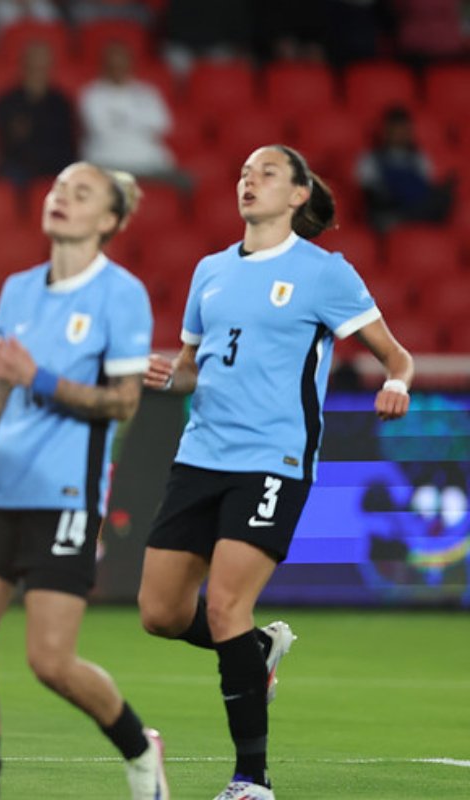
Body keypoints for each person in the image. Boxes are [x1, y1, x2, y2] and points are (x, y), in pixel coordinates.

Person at [138, 144, 413, 800]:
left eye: (266, 173)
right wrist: (172, 372)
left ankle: (251, 781)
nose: (249, 181)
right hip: (200, 455)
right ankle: (256, 652)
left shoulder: (323, 273)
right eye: (243, 172)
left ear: (297, 195)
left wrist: (398, 382)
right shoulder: (210, 270)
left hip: (273, 459)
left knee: (228, 605)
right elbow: (196, 363)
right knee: (160, 612)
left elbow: (394, 355)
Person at [0, 162, 168, 800]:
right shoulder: (19, 289)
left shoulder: (121, 294)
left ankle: (140, 750)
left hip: (65, 498)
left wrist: (41, 379)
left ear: (107, 220)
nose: (60, 199)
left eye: (80, 194)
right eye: (56, 189)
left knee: (49, 662)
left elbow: (125, 402)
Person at [78, 40, 189, 192]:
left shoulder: (147, 93)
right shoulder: (92, 94)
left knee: (186, 183)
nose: (118, 69)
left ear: (130, 64)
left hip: (150, 164)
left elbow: (163, 125)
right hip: (108, 164)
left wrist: (121, 120)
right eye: (113, 64)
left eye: (121, 63)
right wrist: (141, 123)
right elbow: (102, 130)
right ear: (104, 65)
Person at [0, 41, 78, 189]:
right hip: (21, 167)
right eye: (34, 66)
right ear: (24, 66)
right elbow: (11, 140)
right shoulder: (8, 101)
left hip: (56, 165)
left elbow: (68, 143)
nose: (39, 70)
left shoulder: (61, 102)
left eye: (43, 66)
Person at [355, 105, 454, 233]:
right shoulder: (370, 159)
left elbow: (426, 187)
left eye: (403, 130)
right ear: (386, 131)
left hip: (416, 210)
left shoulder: (419, 158)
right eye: (395, 130)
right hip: (387, 214)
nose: (399, 134)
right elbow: (370, 194)